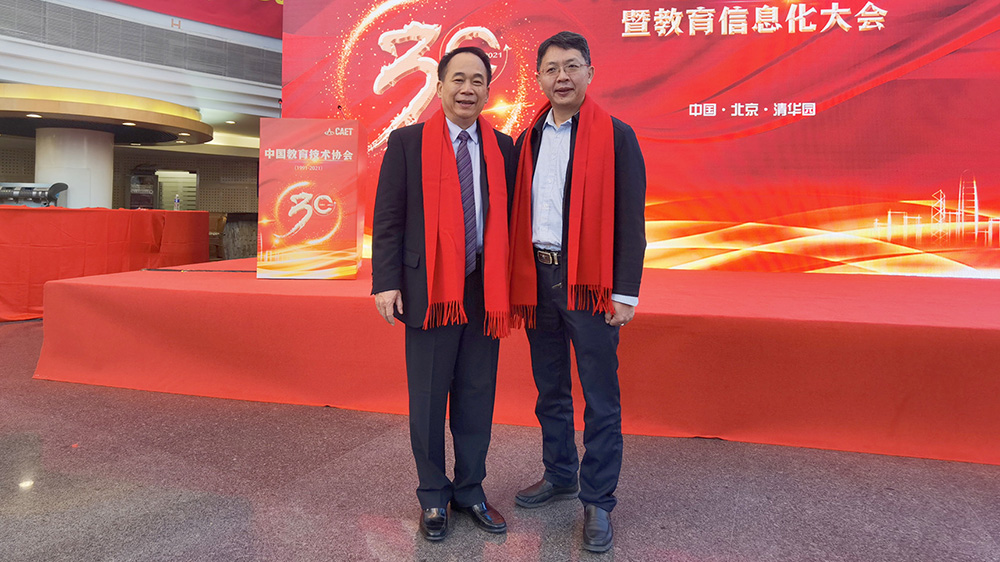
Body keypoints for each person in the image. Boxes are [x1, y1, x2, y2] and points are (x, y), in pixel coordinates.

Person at [507, 31, 646, 553]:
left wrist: (625, 292)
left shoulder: (617, 137)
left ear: (590, 72)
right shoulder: (527, 139)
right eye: (551, 68)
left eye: (571, 66)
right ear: (539, 78)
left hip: (589, 282)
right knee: (550, 389)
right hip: (537, 277)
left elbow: (631, 220)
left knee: (600, 397)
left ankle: (598, 501)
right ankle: (560, 472)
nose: (561, 77)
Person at [371, 46, 515, 542]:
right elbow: (388, 217)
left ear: (488, 91)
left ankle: (470, 489)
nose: (467, 89)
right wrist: (386, 280)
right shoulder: (407, 143)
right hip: (428, 288)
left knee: (477, 395)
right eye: (458, 79)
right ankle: (433, 495)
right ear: (439, 86)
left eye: (477, 81)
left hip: (483, 291)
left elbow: (509, 221)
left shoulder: (503, 148)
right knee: (429, 398)